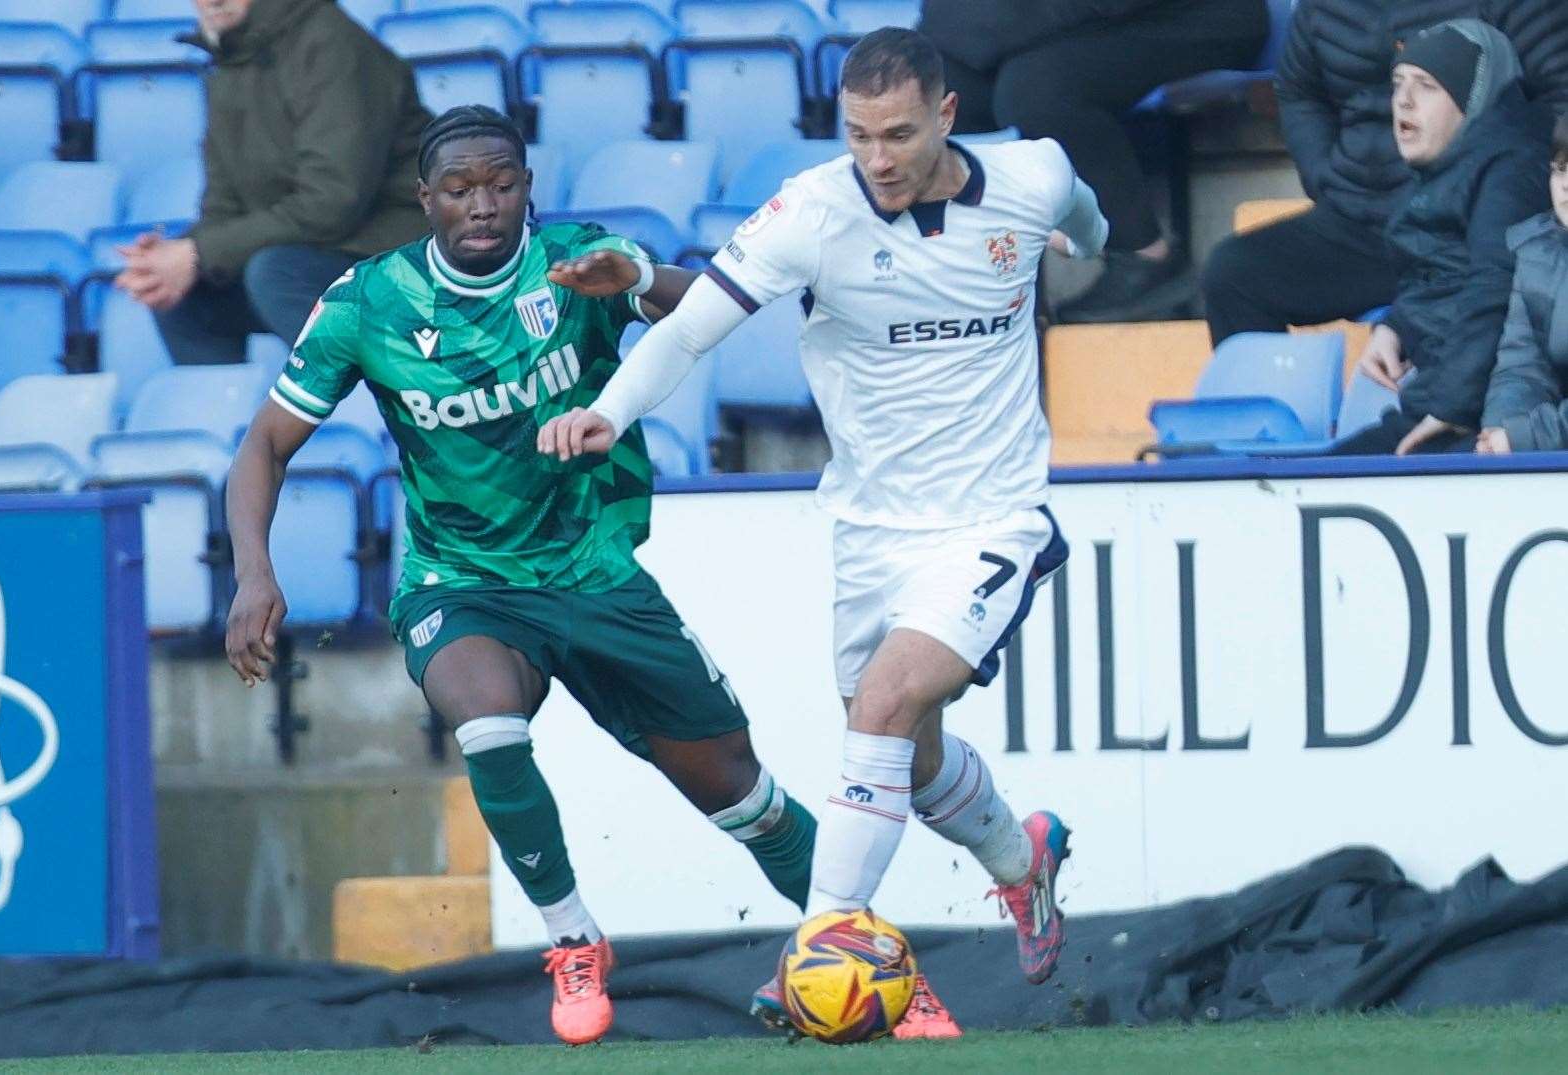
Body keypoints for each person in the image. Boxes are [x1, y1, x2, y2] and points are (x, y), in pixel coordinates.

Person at [538, 29, 1101, 1038]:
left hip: (989, 515)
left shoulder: (1032, 176)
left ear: (945, 116)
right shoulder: (812, 210)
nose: (877, 158)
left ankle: (821, 940)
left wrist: (1085, 247)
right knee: (907, 756)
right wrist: (610, 414)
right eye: (856, 135)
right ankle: (1025, 861)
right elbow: (686, 326)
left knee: (880, 708)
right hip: (867, 527)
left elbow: (1087, 214)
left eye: (896, 134)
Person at [223, 107, 820, 1047]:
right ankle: (573, 938)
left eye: (500, 182)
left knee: (740, 792)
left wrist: (642, 277)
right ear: (426, 201)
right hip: (461, 578)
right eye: (458, 188)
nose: (482, 204)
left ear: (528, 184)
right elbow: (263, 442)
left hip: (593, 570)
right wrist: (253, 571)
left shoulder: (579, 259)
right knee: (488, 716)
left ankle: (861, 952)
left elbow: (712, 307)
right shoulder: (368, 303)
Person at [1202, 0, 1568, 346]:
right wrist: (1324, 177)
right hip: (1360, 222)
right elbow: (1299, 89)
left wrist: (1494, 186)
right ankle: (1269, 410)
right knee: (1234, 276)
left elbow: (1558, 98)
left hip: (1470, 225)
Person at [115, 0, 431, 364]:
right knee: (181, 288)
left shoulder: (331, 44)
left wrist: (199, 253)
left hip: (402, 257)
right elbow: (223, 208)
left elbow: (333, 200)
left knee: (276, 272)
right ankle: (228, 416)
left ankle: (369, 401)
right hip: (322, 247)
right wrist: (174, 258)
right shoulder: (232, 58)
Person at [920, 0, 1269, 323]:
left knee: (1037, 89)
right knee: (930, 89)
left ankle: (1148, 259)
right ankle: (967, 278)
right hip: (1052, 20)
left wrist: (987, 26)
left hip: (1189, 15)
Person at [1334, 20, 1549, 456]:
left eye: (1427, 86)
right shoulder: (1447, 165)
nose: (1403, 102)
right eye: (1398, 84)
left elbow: (1496, 287)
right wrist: (1395, 326)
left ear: (1473, 100)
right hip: (1444, 400)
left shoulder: (1510, 167)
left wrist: (1452, 408)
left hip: (1490, 417)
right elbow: (1442, 272)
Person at [1478, 115, 1568, 454]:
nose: (1566, 184)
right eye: (1560, 168)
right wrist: (1501, 427)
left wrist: (1522, 438)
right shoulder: (1538, 253)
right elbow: (1523, 368)